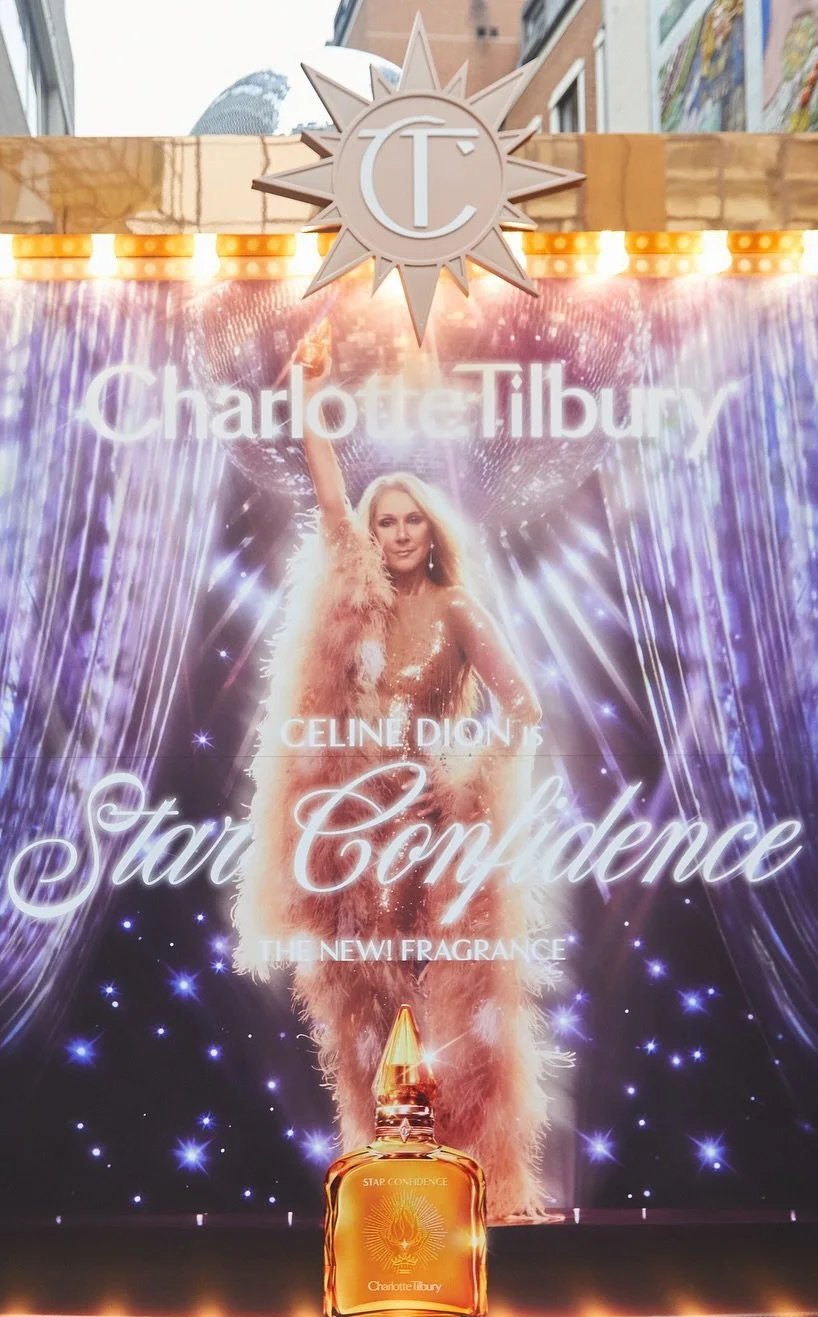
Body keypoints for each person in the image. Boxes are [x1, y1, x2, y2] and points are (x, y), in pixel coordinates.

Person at [233, 320, 553, 1220]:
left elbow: (523, 708)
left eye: (413, 520)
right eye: (388, 522)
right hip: (353, 830)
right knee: (361, 1003)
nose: (401, 532)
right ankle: (382, 1176)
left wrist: (471, 781)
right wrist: (307, 397)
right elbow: (329, 497)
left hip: (435, 830)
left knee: (454, 1004)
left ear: (432, 530)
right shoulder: (360, 598)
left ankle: (463, 1181)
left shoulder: (456, 606)